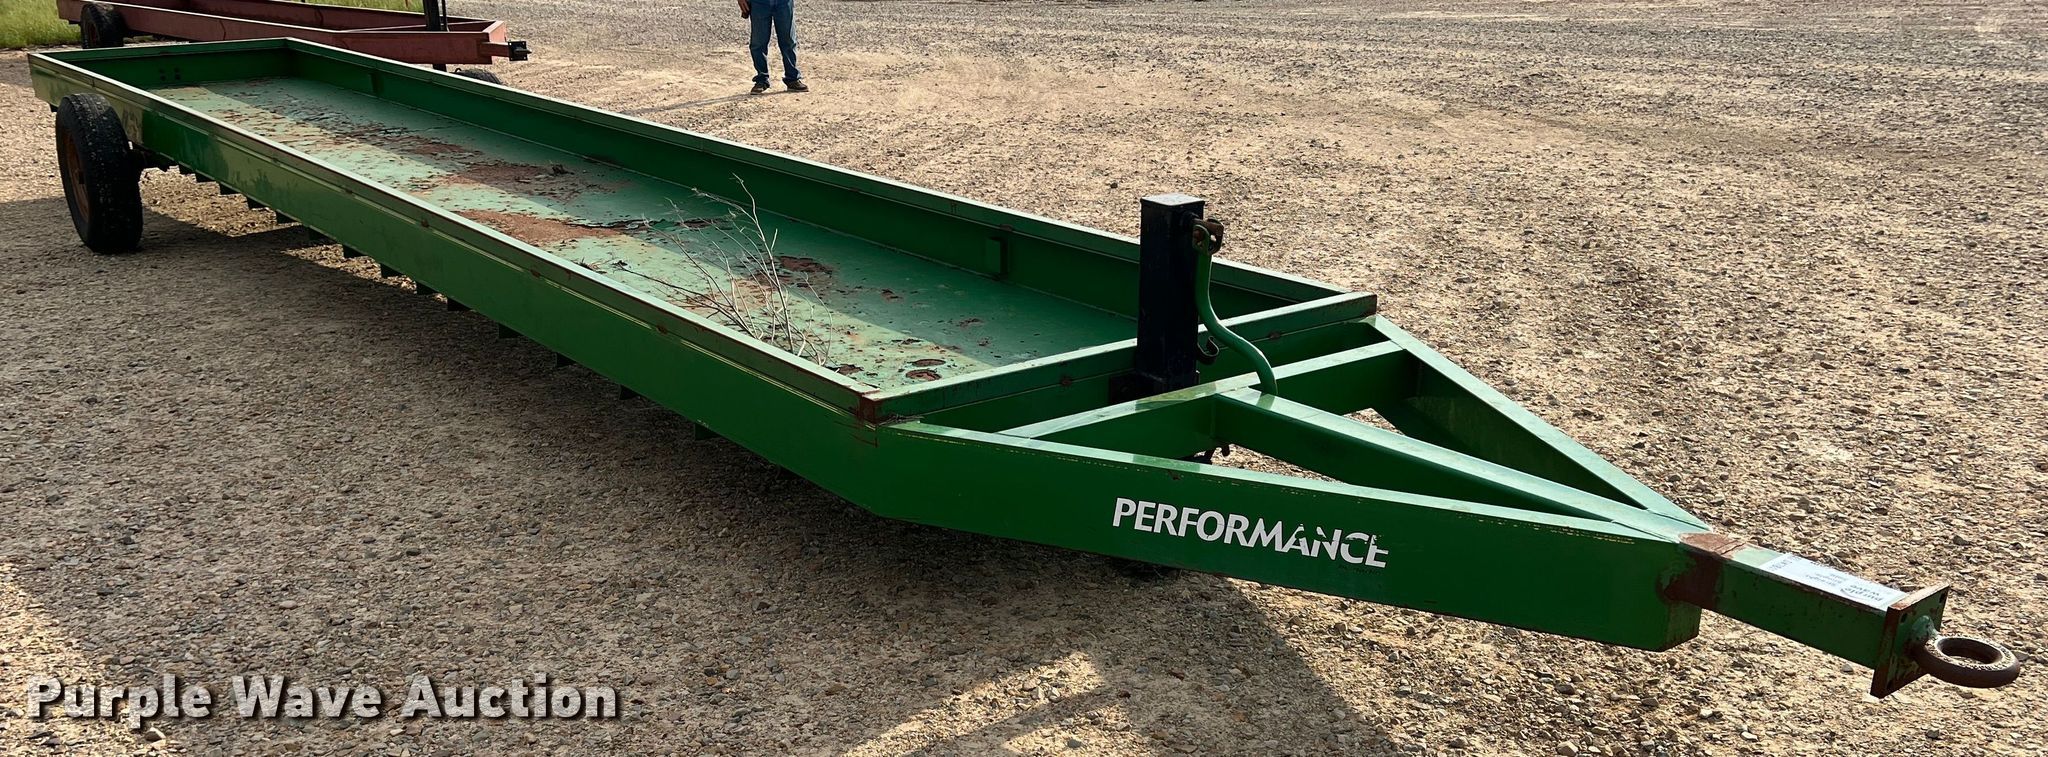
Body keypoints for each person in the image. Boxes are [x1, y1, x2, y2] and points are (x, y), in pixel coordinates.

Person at [739, 0, 807, 94]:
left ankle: (792, 79)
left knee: (788, 41)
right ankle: (761, 80)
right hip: (759, 3)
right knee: (758, 43)